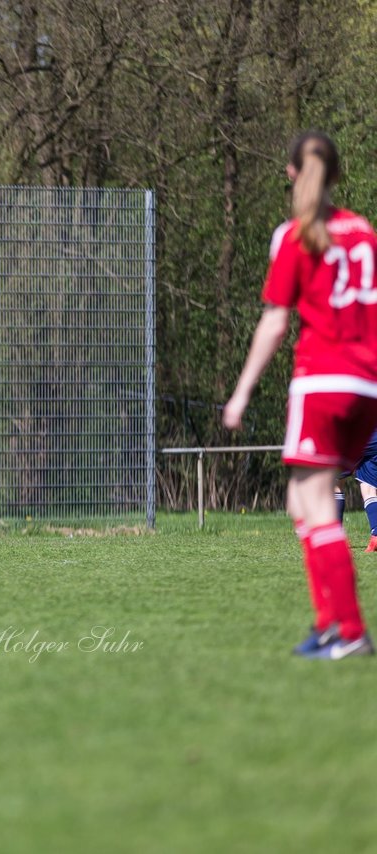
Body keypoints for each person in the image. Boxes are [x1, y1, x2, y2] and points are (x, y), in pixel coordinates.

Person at [223, 131, 377, 659]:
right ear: (336, 175)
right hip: (367, 387)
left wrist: (241, 393)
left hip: (323, 380)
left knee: (313, 501)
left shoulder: (294, 236)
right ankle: (328, 625)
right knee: (301, 500)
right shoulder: (363, 233)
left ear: (292, 173)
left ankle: (349, 630)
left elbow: (274, 323)